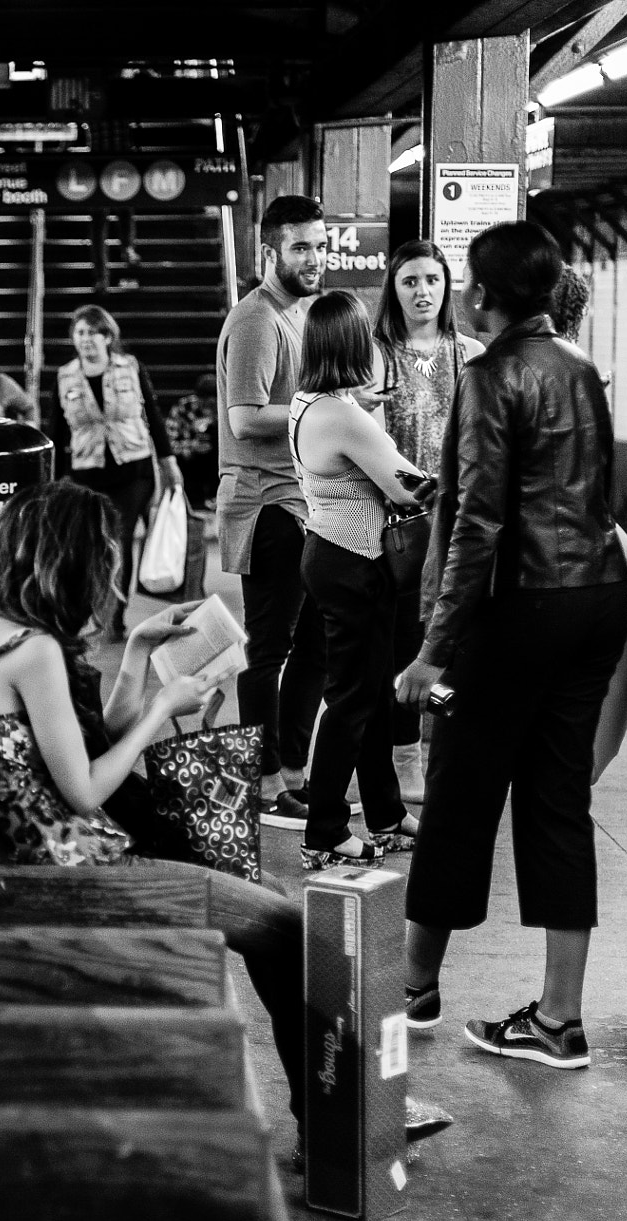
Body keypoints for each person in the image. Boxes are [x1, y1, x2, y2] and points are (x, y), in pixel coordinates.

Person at [0, 482, 451, 1149]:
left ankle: (333, 1112)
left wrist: (137, 658)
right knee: (287, 921)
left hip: (48, 863)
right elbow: (88, 787)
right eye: (103, 567)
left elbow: (88, 743)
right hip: (69, 877)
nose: (109, 586)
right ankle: (336, 1121)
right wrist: (167, 702)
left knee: (273, 905)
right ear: (64, 560)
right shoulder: (32, 652)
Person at [395, 220, 627, 1070]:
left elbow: (478, 522)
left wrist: (432, 649)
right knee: (558, 801)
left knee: (460, 790)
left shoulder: (491, 374)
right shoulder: (578, 365)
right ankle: (559, 1020)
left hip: (519, 609)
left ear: (481, 294)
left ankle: (413, 984)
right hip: (595, 599)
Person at [288, 292, 427, 870]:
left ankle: (386, 814)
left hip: (326, 553)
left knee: (368, 692)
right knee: (351, 698)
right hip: (354, 564)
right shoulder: (342, 415)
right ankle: (324, 827)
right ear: (352, 344)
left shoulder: (308, 403)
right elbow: (409, 487)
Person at [216, 195, 328, 831]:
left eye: (319, 245)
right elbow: (244, 417)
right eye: (301, 248)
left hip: (303, 503)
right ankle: (258, 783)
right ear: (269, 253)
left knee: (313, 647)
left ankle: (292, 775)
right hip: (268, 506)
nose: (315, 259)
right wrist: (327, 413)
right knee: (271, 650)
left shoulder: (303, 314)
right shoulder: (258, 319)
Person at [373, 239, 486, 806]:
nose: (423, 291)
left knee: (450, 641)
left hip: (459, 522)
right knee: (404, 643)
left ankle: (441, 739)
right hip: (396, 520)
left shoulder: (470, 353)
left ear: (449, 289)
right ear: (393, 289)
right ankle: (403, 752)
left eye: (433, 281)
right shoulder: (375, 353)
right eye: (410, 281)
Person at [48, 304, 183, 638]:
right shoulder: (65, 376)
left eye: (94, 332)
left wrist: (169, 463)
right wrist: (56, 478)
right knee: (93, 544)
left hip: (133, 471)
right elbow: (57, 431)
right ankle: (96, 608)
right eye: (80, 332)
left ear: (108, 336)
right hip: (87, 473)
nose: (87, 339)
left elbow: (152, 415)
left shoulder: (130, 368)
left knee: (118, 541)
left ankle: (113, 616)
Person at [166, 373, 220, 510]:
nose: (210, 406)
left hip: (217, 461)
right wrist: (192, 446)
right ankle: (193, 501)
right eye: (206, 402)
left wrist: (213, 422)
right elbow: (169, 444)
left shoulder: (226, 409)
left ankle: (215, 496)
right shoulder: (183, 408)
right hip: (191, 461)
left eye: (214, 402)